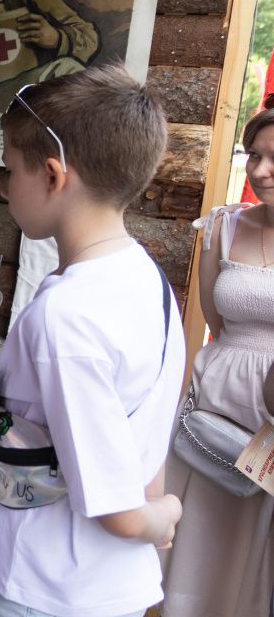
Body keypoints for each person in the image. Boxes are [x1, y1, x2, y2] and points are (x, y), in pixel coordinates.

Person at [0, 65, 185, 616]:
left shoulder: (68, 317)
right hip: (98, 585)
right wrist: (153, 501)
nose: (5, 184)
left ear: (54, 176)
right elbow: (144, 432)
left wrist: (166, 514)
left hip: (48, 587)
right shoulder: (144, 277)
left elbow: (121, 514)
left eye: (10, 169)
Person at [161, 95, 274, 617]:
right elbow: (213, 318)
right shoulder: (224, 226)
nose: (261, 170)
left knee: (250, 551)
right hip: (217, 400)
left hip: (270, 417)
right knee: (196, 536)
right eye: (253, 156)